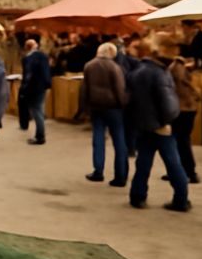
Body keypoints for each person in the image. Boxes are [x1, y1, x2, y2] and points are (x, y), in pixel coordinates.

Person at [127, 38, 191, 212]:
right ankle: (181, 200)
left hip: (143, 124)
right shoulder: (160, 74)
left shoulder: (136, 72)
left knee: (143, 162)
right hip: (161, 125)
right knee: (173, 163)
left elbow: (129, 100)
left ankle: (137, 196)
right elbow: (168, 104)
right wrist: (168, 120)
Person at [80, 42, 129, 187]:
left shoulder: (89, 66)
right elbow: (120, 89)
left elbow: (84, 89)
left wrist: (83, 107)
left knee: (98, 138)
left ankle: (98, 171)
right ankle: (120, 175)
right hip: (113, 108)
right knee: (119, 140)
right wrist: (123, 104)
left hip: (96, 106)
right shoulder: (115, 67)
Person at [168, 53, 202, 184]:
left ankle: (189, 172)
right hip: (189, 109)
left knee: (180, 141)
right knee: (182, 140)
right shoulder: (183, 68)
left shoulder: (174, 67)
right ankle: (183, 171)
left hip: (181, 110)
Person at [20, 38, 51, 145]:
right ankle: (40, 135)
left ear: (26, 47)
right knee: (40, 109)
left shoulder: (28, 58)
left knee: (36, 111)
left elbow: (28, 75)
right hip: (42, 86)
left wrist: (24, 88)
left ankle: (40, 136)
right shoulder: (43, 56)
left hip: (32, 88)